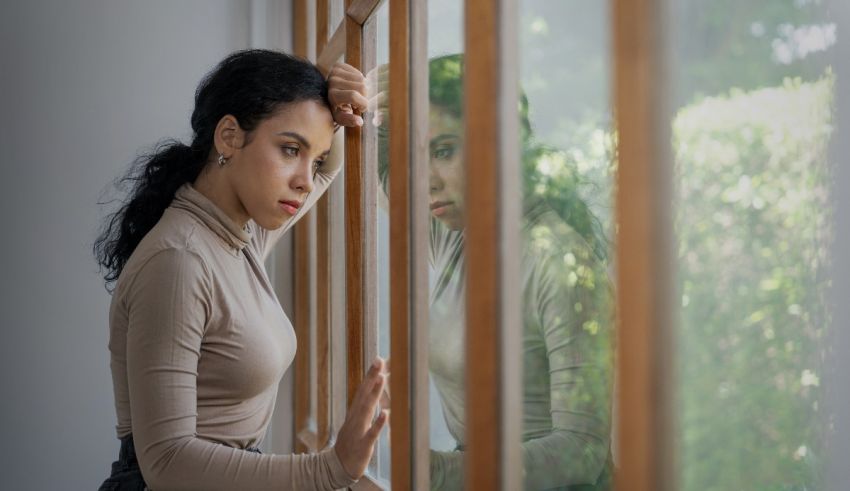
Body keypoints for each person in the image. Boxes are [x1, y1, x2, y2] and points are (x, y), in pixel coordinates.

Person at [93, 49, 387, 490]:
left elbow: (327, 173)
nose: (306, 179)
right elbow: (168, 463)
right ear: (229, 136)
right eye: (291, 149)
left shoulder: (235, 234)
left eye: (315, 158)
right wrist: (329, 470)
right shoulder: (179, 261)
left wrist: (336, 97)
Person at [376, 54, 615, 490]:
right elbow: (377, 175)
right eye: (418, 155)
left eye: (445, 150)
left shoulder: (558, 262)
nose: (426, 180)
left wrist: (438, 471)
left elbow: (582, 450)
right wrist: (369, 98)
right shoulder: (457, 230)